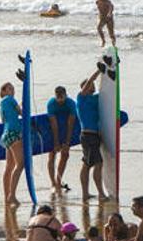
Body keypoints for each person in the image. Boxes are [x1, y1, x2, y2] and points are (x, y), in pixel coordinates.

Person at [77, 67, 107, 202]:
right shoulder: (81, 98)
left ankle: (85, 194)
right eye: (90, 85)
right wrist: (98, 71)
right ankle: (100, 193)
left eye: (94, 85)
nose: (93, 86)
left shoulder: (95, 99)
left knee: (87, 164)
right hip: (88, 136)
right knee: (98, 163)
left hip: (93, 136)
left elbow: (108, 97)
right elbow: (90, 81)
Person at [46, 86, 77, 193]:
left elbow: (71, 123)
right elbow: (53, 125)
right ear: (55, 96)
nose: (60, 100)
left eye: (61, 98)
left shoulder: (71, 103)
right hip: (52, 131)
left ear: (65, 95)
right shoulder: (51, 103)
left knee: (65, 155)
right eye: (57, 98)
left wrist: (67, 142)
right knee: (52, 155)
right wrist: (56, 142)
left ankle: (58, 181)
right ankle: (53, 183)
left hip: (66, 130)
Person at [0, 82, 23, 206]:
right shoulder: (10, 99)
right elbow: (21, 113)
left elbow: (5, 119)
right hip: (14, 133)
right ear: (3, 91)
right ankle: (12, 195)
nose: (12, 90)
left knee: (9, 167)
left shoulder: (2, 104)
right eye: (9, 88)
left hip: (6, 135)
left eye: (13, 88)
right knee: (20, 165)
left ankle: (6, 196)